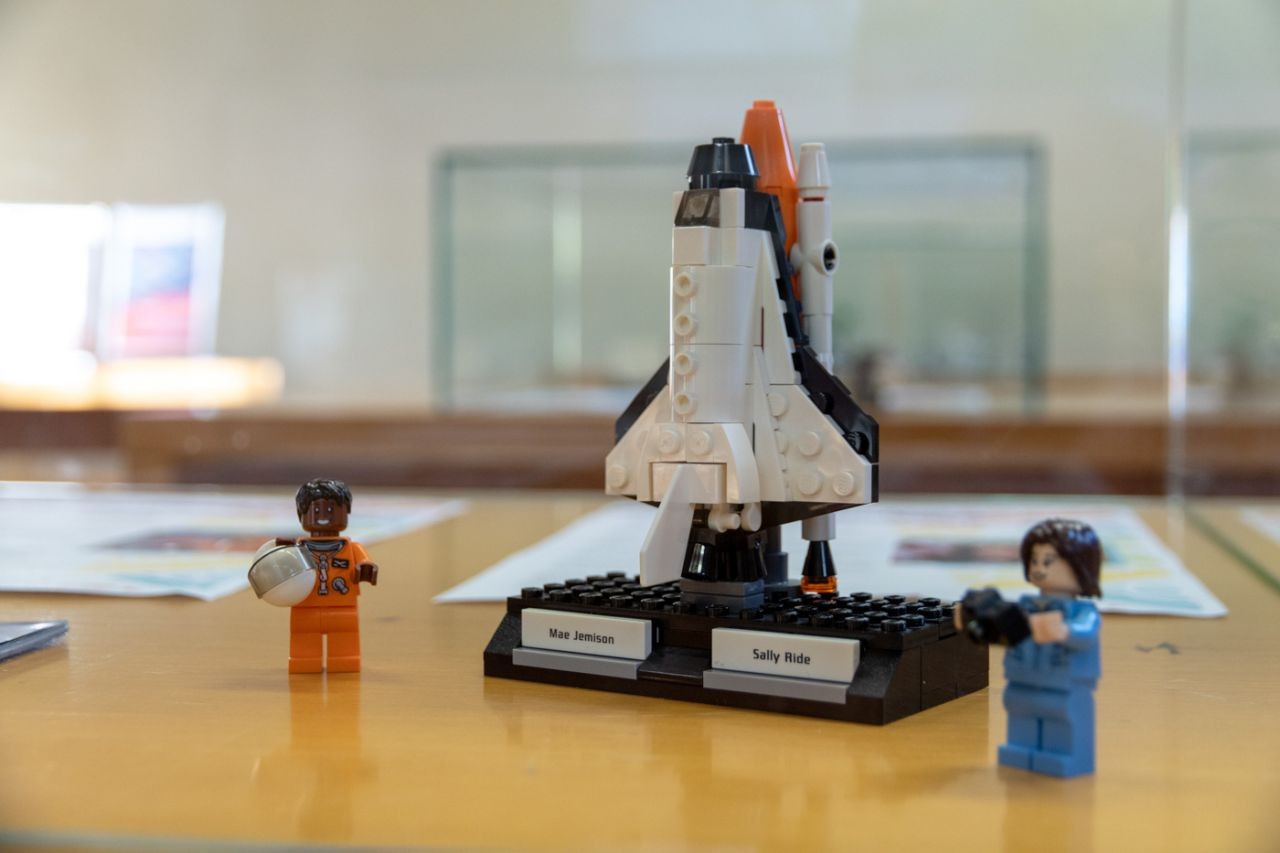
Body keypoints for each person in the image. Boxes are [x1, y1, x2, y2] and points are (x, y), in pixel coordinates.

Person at [998, 518, 1103, 777]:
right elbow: (1006, 631)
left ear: (1080, 565)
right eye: (1034, 561)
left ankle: (1065, 756)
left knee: (1063, 716)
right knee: (1021, 711)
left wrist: (1064, 631)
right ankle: (1021, 749)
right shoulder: (1026, 607)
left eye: (1048, 561)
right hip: (1023, 678)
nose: (1038, 568)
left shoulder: (1082, 612)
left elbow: (1085, 632)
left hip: (1066, 683)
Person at [274, 478, 379, 673]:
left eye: (330, 509)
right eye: (316, 510)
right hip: (305, 605)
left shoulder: (352, 547)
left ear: (346, 513)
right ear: (301, 514)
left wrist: (365, 568)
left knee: (344, 638)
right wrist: (281, 556)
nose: (323, 516)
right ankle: (305, 661)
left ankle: (344, 660)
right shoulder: (297, 549)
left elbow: (365, 562)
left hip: (342, 606)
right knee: (304, 638)